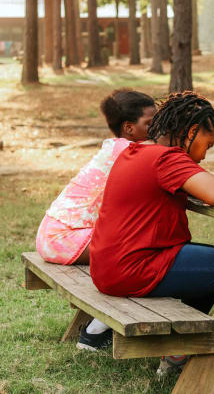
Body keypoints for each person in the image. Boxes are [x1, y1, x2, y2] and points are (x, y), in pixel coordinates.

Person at [88, 91, 214, 391]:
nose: (205, 155)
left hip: (110, 266)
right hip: (134, 267)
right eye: (207, 144)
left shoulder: (138, 151)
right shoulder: (166, 158)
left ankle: (180, 353)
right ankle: (211, 360)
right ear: (190, 132)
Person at [35, 89, 156, 351]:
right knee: (140, 258)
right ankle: (96, 331)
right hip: (65, 237)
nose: (155, 128)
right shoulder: (129, 151)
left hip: (54, 232)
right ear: (129, 128)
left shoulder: (116, 147)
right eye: (150, 123)